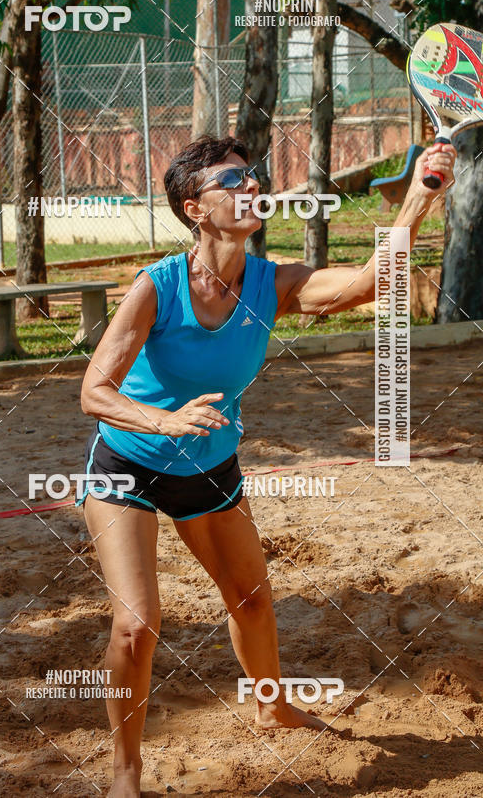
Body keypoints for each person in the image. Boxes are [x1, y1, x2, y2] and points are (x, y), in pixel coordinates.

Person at [78, 134, 456, 797]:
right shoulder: (156, 288)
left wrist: (420, 200)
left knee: (251, 599)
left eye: (254, 176)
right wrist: (164, 420)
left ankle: (272, 704)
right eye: (234, 180)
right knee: (136, 626)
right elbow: (94, 392)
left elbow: (371, 282)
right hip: (127, 465)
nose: (252, 186)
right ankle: (124, 773)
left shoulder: (273, 282)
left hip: (210, 468)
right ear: (195, 207)